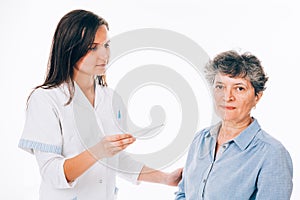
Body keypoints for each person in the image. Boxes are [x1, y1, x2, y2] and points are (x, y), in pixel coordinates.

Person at [18, 9, 182, 200]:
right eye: (93, 47)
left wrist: (165, 179)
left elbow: (117, 160)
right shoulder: (46, 99)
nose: (104, 55)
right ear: (70, 49)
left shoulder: (111, 99)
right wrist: (97, 151)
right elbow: (51, 173)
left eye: (106, 45)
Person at [175, 50, 293, 199]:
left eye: (239, 88)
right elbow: (183, 193)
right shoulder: (200, 140)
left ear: (257, 96)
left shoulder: (272, 154)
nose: (227, 96)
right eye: (220, 86)